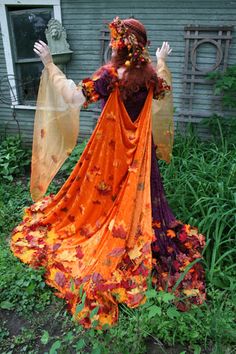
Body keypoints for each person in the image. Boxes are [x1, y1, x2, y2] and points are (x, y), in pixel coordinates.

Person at [10, 17, 206, 329]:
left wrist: (49, 64)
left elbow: (74, 98)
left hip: (111, 154)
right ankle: (137, 233)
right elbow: (162, 94)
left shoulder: (112, 74)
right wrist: (162, 61)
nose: (114, 44)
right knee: (143, 201)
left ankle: (114, 232)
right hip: (141, 156)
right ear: (142, 46)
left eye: (117, 40)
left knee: (101, 201)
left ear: (121, 45)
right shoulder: (151, 75)